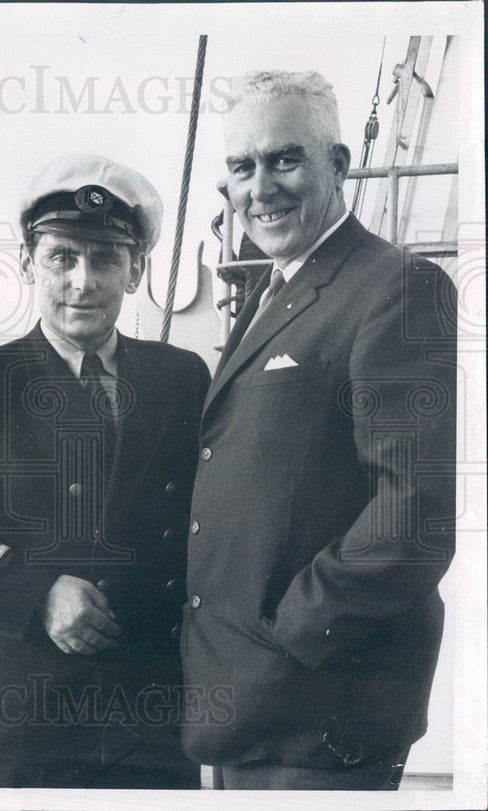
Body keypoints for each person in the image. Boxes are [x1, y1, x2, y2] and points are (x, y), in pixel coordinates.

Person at [181, 70, 457, 790]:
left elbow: (415, 515)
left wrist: (290, 635)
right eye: (242, 167)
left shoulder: (397, 286)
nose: (259, 188)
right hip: (248, 702)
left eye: (284, 159)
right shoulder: (278, 290)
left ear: (338, 164)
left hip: (317, 709)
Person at [0, 154, 210, 788]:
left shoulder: (181, 378)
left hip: (152, 707)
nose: (82, 281)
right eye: (62, 258)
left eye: (105, 260)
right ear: (27, 264)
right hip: (27, 712)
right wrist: (37, 594)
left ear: (136, 271)